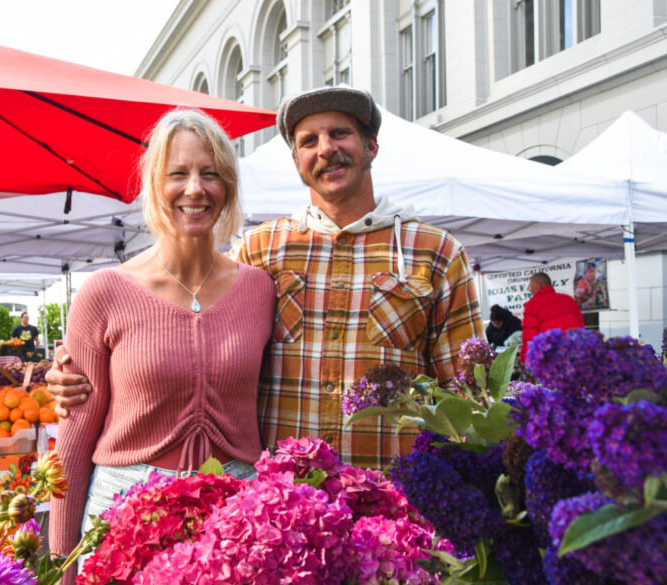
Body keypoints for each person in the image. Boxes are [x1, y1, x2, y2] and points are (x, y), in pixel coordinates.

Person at [48, 86, 481, 471]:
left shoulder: (434, 252)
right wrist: (74, 374)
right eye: (309, 141)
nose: (326, 149)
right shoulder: (262, 251)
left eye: (340, 133)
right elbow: (192, 322)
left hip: (392, 497)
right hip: (282, 508)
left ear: (371, 146)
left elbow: (467, 398)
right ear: (296, 162)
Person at [46, 109, 275, 585]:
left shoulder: (259, 288)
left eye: (210, 173)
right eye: (179, 173)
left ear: (229, 187)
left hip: (234, 506)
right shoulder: (106, 291)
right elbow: (74, 435)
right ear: (154, 184)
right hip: (125, 507)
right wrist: (61, 565)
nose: (195, 188)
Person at [520, 272, 584, 361]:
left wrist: (526, 358)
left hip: (549, 358)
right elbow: (581, 329)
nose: (530, 290)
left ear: (538, 285)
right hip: (572, 354)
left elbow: (529, 336)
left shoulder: (532, 305)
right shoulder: (569, 300)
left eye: (531, 286)